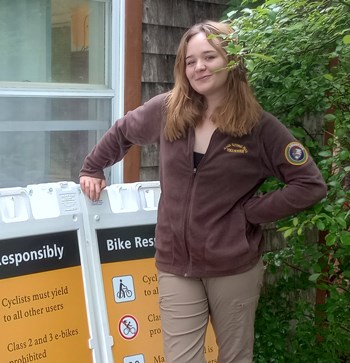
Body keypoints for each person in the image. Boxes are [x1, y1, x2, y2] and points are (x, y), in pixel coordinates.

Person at [79, 21, 327, 363]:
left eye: (209, 56)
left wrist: (249, 214)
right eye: (190, 60)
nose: (199, 67)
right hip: (176, 265)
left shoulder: (260, 128)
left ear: (232, 61)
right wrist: (93, 167)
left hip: (233, 267)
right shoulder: (167, 110)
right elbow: (123, 131)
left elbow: (309, 184)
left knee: (235, 358)